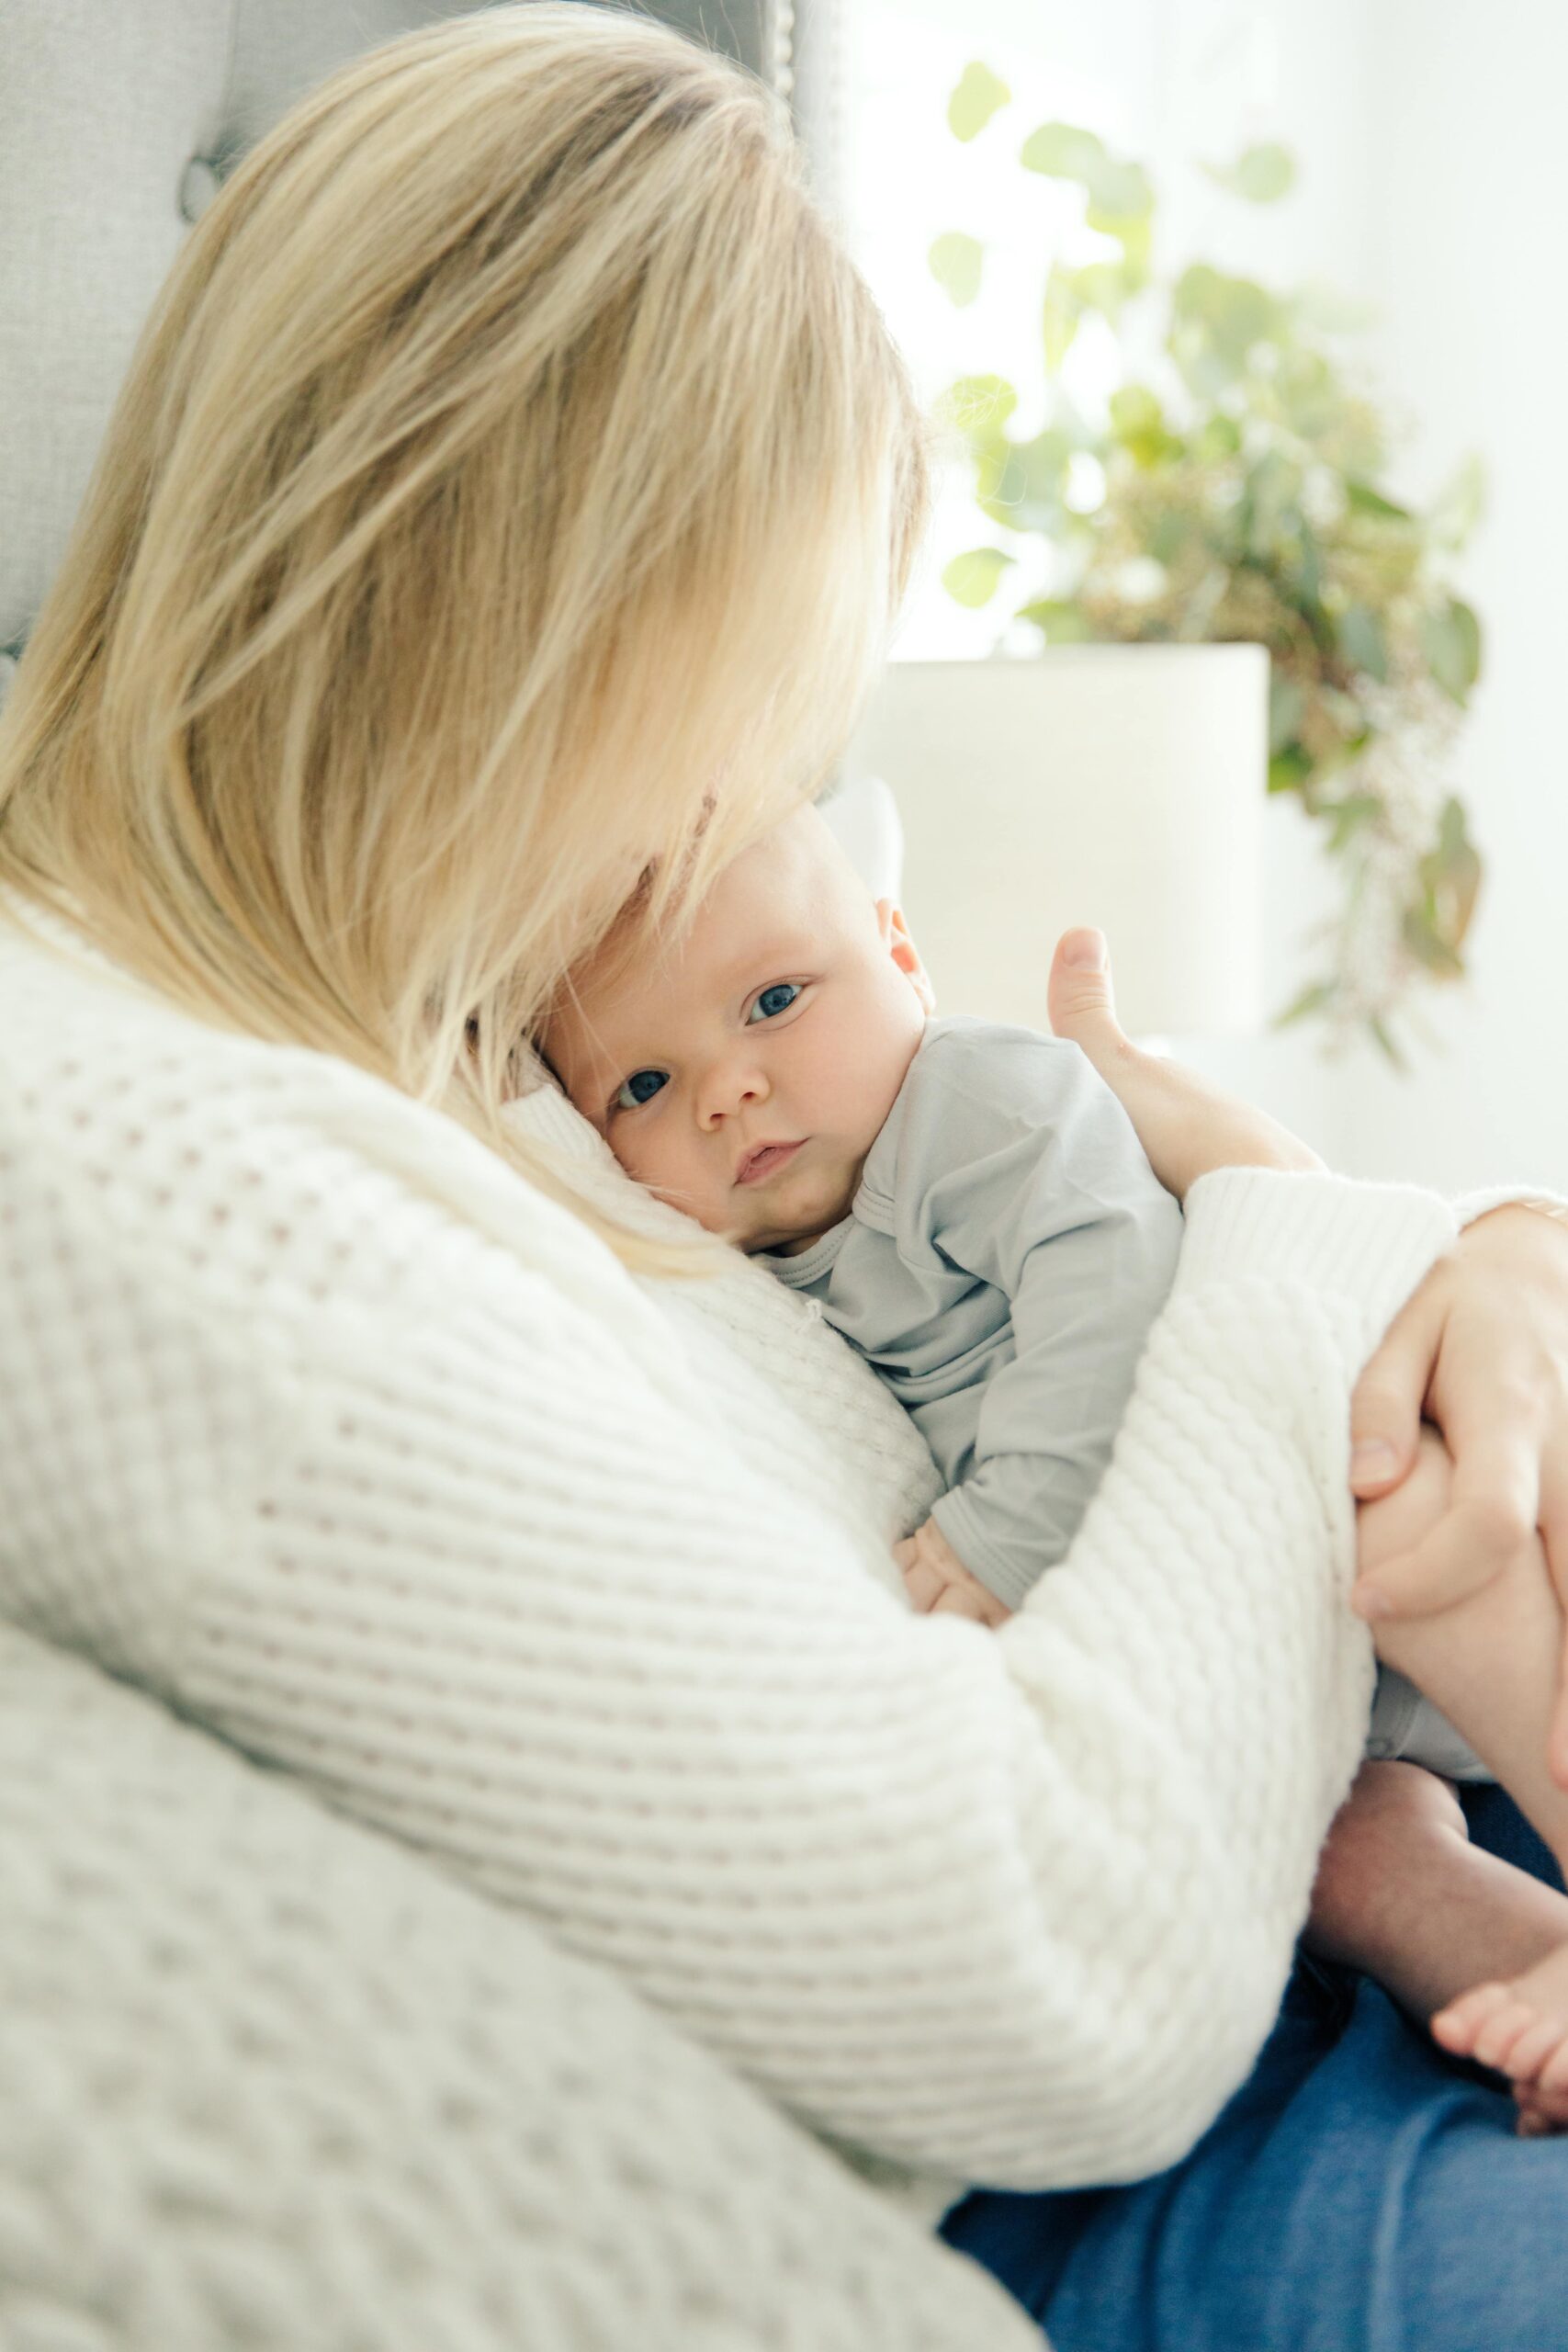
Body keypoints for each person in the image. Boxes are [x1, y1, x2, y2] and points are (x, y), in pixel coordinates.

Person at [2, 7, 1568, 2345]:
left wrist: (1467, 1234)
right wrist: (1293, 1209)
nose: (735, 795)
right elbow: (1060, 1972)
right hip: (1206, 2053)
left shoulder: (414, 999)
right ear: (517, 624)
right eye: (724, 701)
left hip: (1282, 1796)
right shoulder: (147, 1168)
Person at [542, 799, 1568, 2127]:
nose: (726, 1091)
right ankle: (1521, 1956)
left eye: (776, 1000)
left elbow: (1114, 1287)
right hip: (1250, 1648)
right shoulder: (744, 1278)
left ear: (901, 955)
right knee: (1340, 1852)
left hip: (1310, 1475)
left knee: (1428, 1535)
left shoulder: (973, 1102)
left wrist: (1000, 1539)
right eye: (642, 1087)